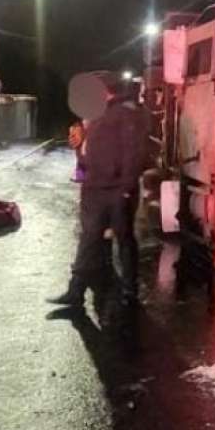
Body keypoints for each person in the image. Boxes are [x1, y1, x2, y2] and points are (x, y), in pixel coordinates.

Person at [51, 75, 151, 311]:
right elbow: (89, 153)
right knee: (88, 239)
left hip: (116, 189)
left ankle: (129, 290)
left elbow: (132, 152)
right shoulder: (96, 115)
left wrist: (127, 187)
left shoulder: (125, 113)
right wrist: (79, 154)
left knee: (124, 239)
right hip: (95, 187)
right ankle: (75, 291)